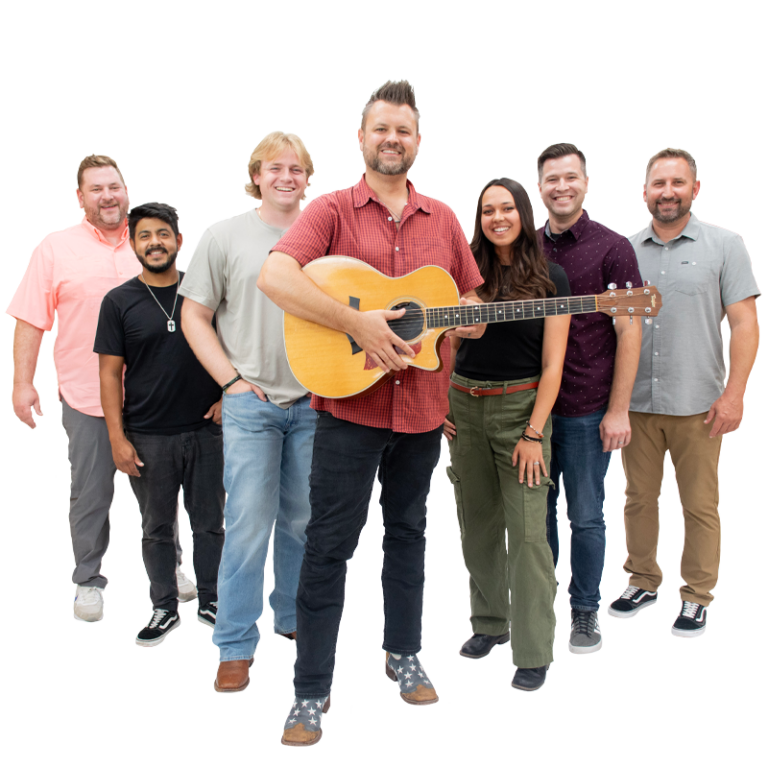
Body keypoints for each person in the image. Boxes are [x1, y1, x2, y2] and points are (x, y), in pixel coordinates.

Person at [257, 79, 486, 746]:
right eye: (381, 129)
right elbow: (276, 276)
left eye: (404, 131)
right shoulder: (329, 209)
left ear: (417, 142)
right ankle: (310, 693)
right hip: (347, 412)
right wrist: (355, 325)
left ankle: (403, 655)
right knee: (327, 547)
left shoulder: (443, 220)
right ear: (363, 138)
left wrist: (468, 322)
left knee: (410, 539)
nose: (393, 140)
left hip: (420, 411)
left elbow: (467, 298)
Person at [7, 154, 195, 623]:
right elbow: (28, 317)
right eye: (96, 188)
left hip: (155, 397)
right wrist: (21, 384)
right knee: (90, 493)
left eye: (114, 186)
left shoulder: (153, 240)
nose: (108, 196)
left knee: (160, 490)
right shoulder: (55, 249)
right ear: (79, 198)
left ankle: (170, 570)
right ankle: (86, 581)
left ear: (124, 190)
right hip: (87, 395)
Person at [179, 132, 317, 691]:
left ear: (308, 179)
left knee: (303, 522)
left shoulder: (326, 232)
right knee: (246, 528)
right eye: (275, 168)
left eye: (297, 169)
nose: (286, 177)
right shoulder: (225, 236)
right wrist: (231, 382)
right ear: (256, 175)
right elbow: (194, 315)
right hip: (251, 405)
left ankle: (291, 620)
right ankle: (234, 643)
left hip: (315, 403)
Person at [608, 147, 760, 635]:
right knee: (637, 499)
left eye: (677, 183)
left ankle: (696, 593)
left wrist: (735, 395)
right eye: (658, 184)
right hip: (638, 402)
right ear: (645, 192)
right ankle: (644, 578)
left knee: (700, 503)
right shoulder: (625, 250)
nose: (667, 192)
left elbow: (744, 324)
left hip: (700, 403)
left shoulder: (726, 246)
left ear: (695, 189)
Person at [443, 177, 571, 692]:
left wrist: (534, 432)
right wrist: (438, 402)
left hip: (521, 411)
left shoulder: (552, 279)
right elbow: (431, 344)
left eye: (507, 209)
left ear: (523, 213)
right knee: (477, 530)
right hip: (462, 409)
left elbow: (554, 365)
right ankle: (491, 625)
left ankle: (535, 648)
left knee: (527, 535)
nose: (497, 218)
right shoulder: (461, 273)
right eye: (487, 210)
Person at [95, 202, 226, 644]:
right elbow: (110, 374)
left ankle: (211, 599)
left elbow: (235, 344)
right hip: (148, 435)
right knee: (155, 528)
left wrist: (229, 394)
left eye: (163, 234)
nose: (155, 243)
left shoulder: (203, 290)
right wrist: (117, 437)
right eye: (145, 235)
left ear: (178, 240)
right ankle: (163, 607)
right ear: (133, 243)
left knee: (210, 521)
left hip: (208, 430)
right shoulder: (118, 302)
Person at [536, 142, 644, 654]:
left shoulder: (613, 247)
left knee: (586, 515)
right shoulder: (524, 247)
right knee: (537, 514)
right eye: (551, 179)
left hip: (585, 408)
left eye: (570, 177)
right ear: (540, 187)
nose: (561, 186)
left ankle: (583, 612)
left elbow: (629, 332)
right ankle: (537, 605)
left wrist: (618, 409)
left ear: (585, 183)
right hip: (530, 411)